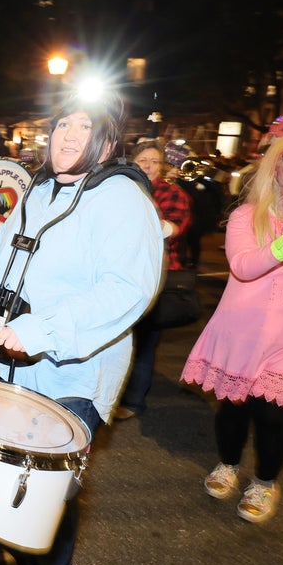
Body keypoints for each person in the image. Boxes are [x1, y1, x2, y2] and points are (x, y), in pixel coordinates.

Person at [0, 90, 162, 565]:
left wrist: (44, 329)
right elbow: (1, 249)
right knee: (10, 464)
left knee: (49, 484)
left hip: (71, 372)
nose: (69, 136)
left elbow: (129, 289)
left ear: (107, 142)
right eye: (62, 125)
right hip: (11, 356)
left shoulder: (122, 199)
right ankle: (12, 536)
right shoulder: (40, 188)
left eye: (85, 127)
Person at [181, 133, 283, 524]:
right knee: (234, 407)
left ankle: (265, 482)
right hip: (244, 328)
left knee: (273, 415)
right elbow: (245, 266)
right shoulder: (245, 217)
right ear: (275, 167)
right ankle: (228, 464)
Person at [116, 140, 194, 419]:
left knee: (145, 343)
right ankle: (111, 395)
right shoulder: (121, 188)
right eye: (143, 160)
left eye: (155, 161)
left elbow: (173, 227)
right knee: (117, 339)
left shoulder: (172, 193)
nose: (149, 166)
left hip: (156, 276)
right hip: (121, 273)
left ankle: (133, 401)